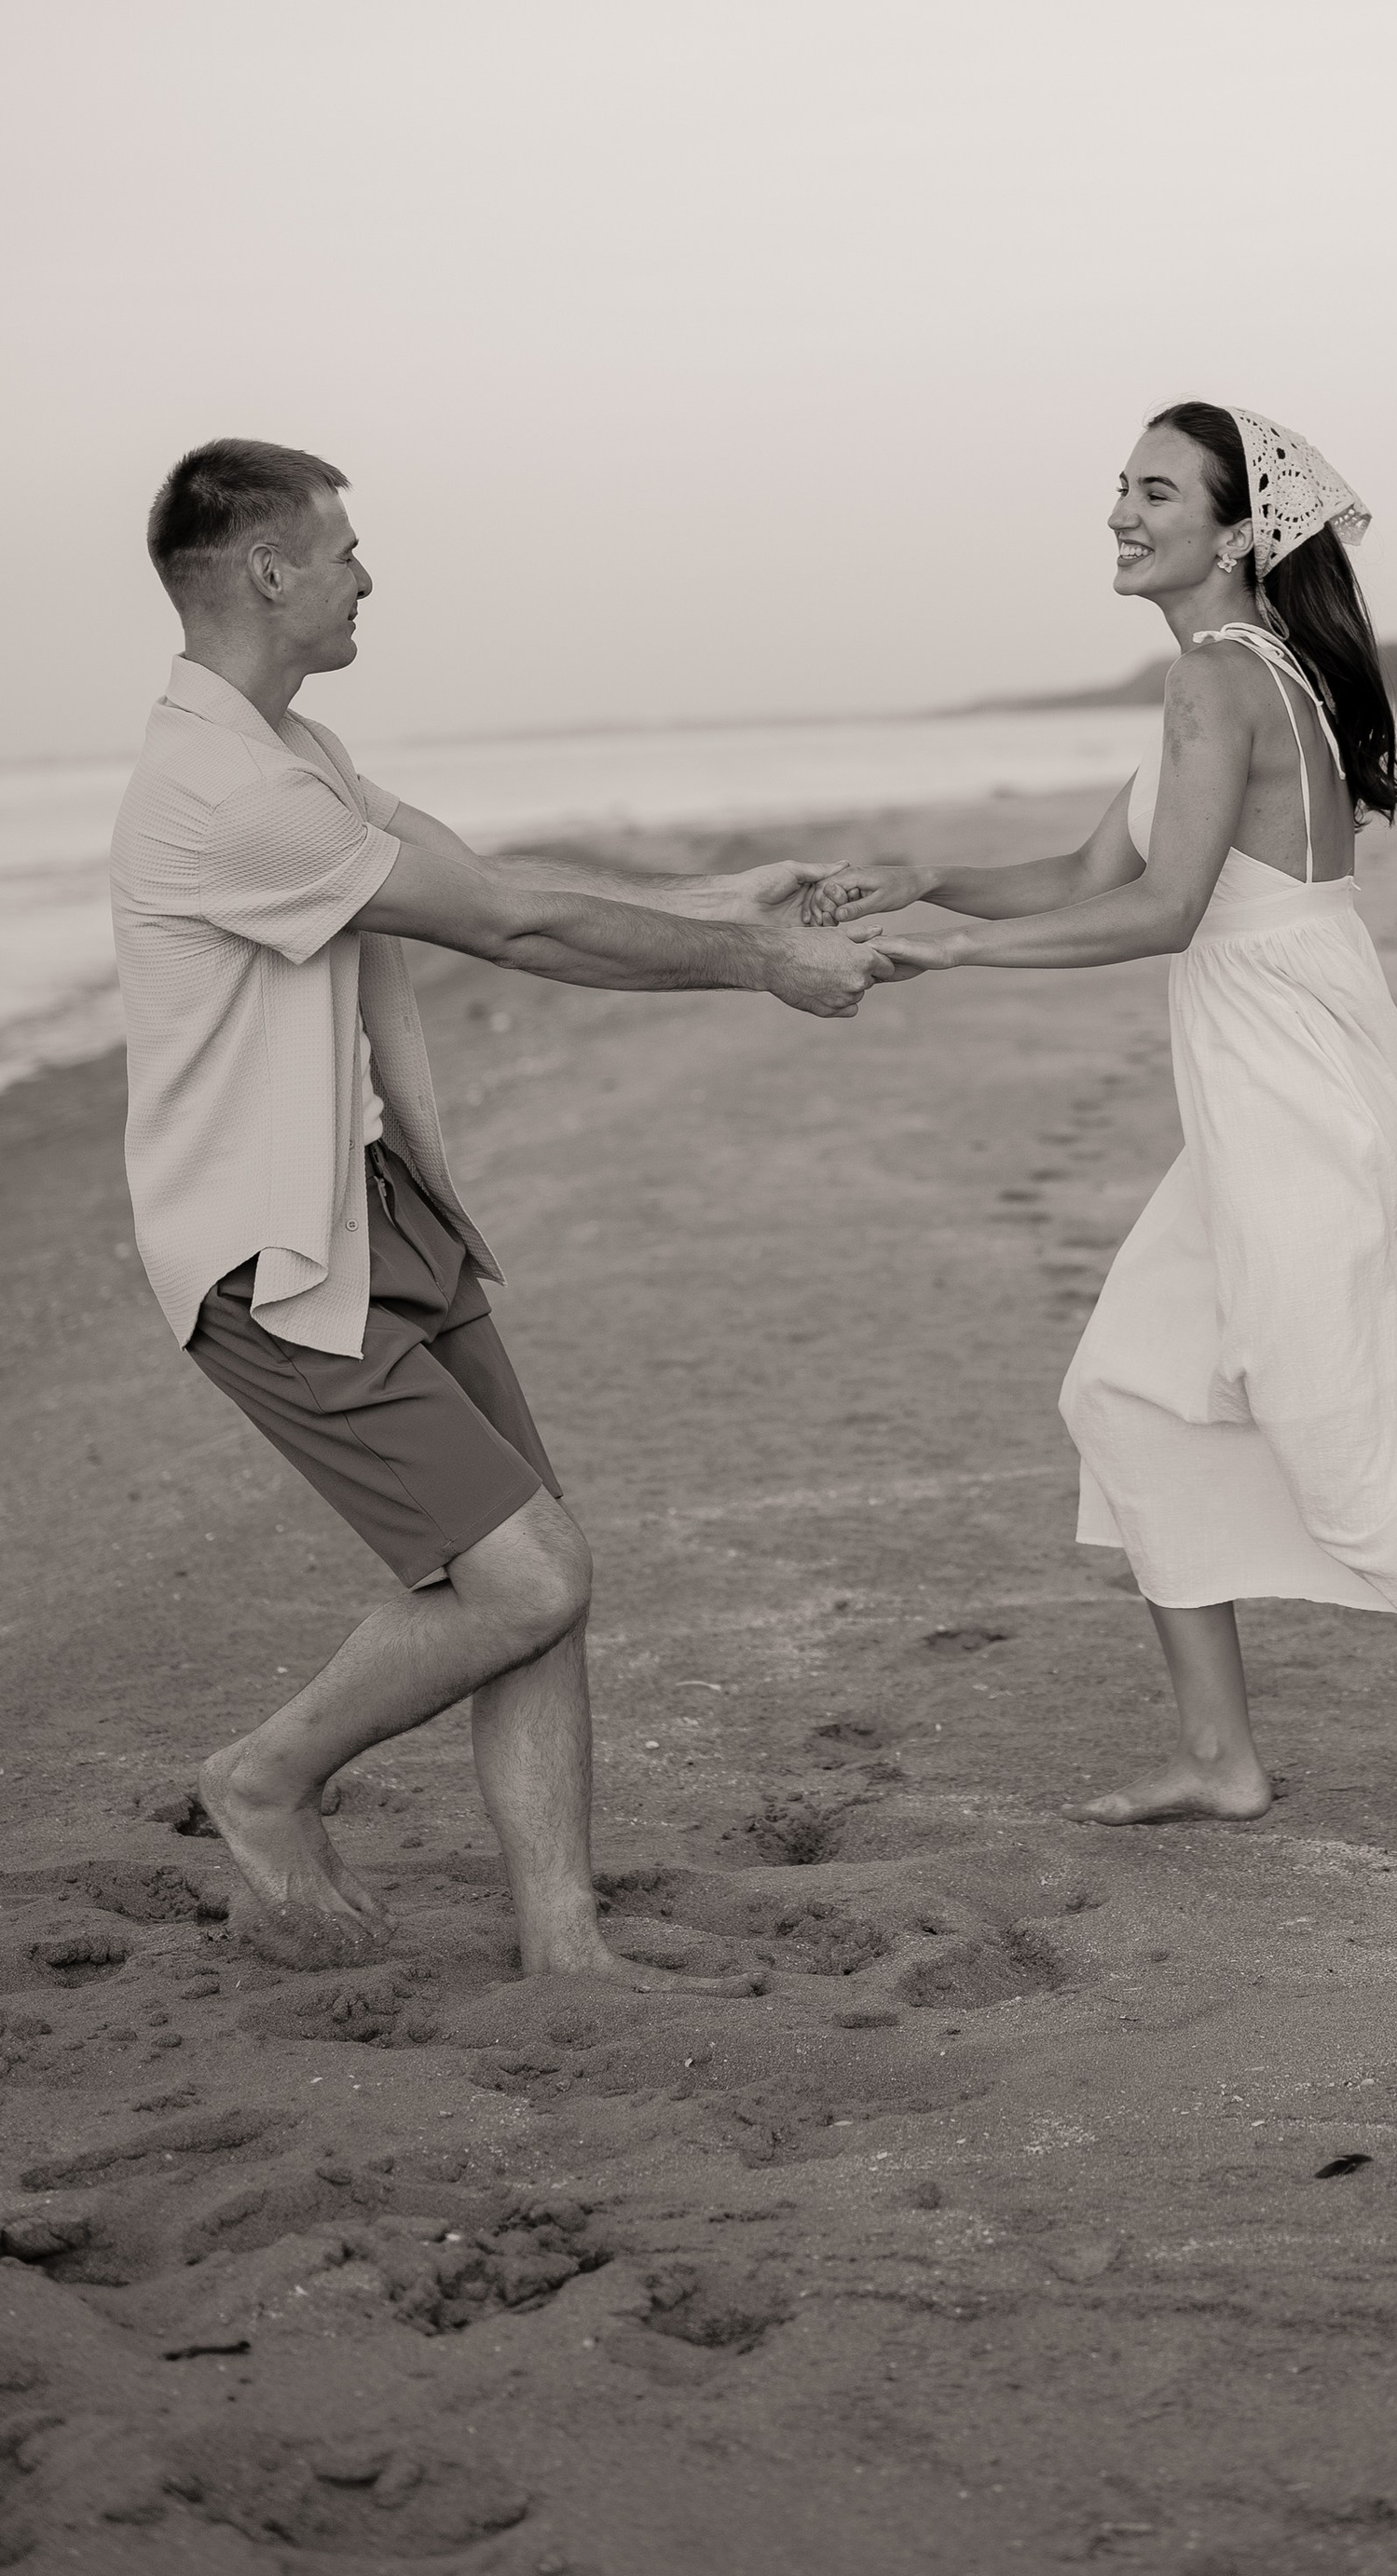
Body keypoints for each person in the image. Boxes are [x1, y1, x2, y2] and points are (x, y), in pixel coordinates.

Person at [826, 403, 1397, 1955]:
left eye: (1153, 492)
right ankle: (1222, 1760)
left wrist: (946, 955)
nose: (1119, 515)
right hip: (1265, 1113)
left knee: (1362, 1464)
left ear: (1233, 535)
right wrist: (933, 877)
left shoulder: (1222, 677)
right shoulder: (1232, 676)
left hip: (1298, 1121)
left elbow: (1156, 916)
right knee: (1134, 1392)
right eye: (1119, 490)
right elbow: (1095, 875)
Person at [111, 437, 894, 1981]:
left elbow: (478, 873)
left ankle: (565, 1946)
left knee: (533, 1576)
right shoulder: (218, 790)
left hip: (374, 1213)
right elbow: (510, 927)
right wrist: (762, 970)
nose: (364, 571)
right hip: (268, 1259)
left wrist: (724, 895)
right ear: (266, 569)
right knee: (529, 1575)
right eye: (341, 547)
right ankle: (264, 1777)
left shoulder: (297, 751)